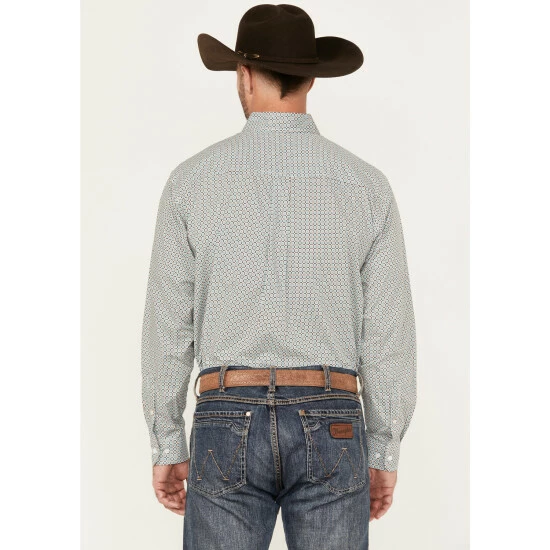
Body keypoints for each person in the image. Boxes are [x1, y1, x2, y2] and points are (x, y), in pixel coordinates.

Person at [141, 4, 417, 549]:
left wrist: (167, 441)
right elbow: (388, 334)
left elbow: (167, 327)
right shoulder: (367, 186)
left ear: (244, 76)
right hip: (334, 416)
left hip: (224, 415)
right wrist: (383, 451)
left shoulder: (190, 182)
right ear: (312, 79)